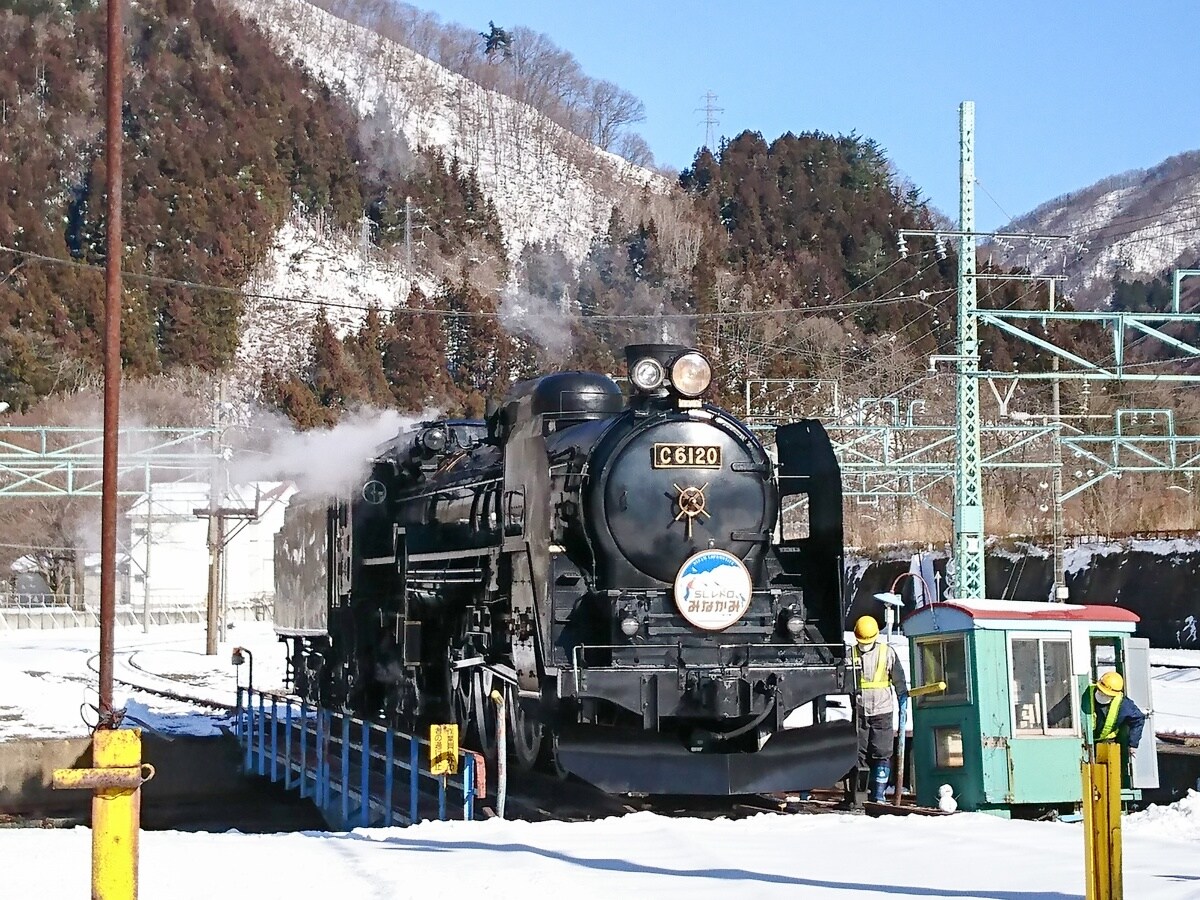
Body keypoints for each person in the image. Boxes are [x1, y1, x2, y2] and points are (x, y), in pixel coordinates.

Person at [852, 615, 908, 803]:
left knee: (882, 752)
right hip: (860, 711)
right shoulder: (851, 653)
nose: (864, 645)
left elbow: (898, 678)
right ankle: (859, 793)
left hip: (882, 710)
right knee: (859, 752)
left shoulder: (887, 653)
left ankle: (878, 794)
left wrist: (903, 697)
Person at [1091, 671, 1146, 756]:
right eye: (1100, 690)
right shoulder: (1085, 693)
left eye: (1106, 694)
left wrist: (1133, 744)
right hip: (1083, 740)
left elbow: (1138, 719)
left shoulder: (1124, 705)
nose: (1101, 695)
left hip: (1105, 743)